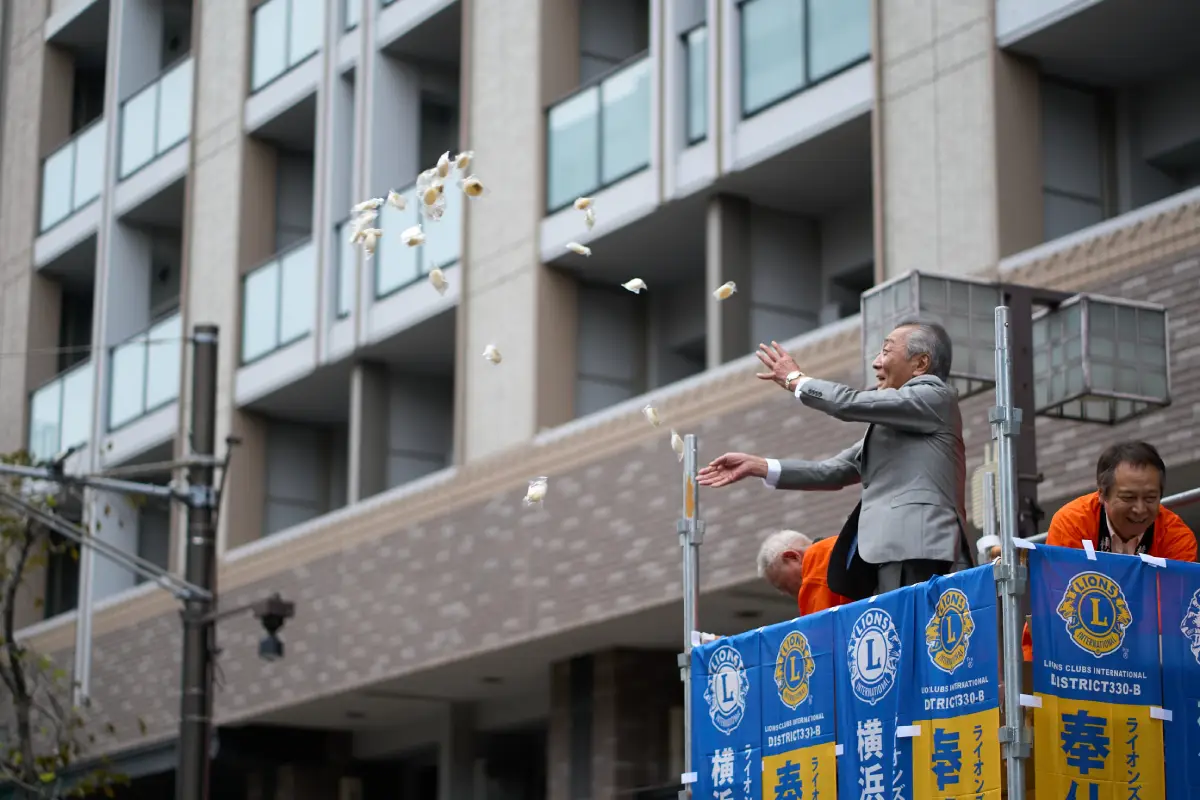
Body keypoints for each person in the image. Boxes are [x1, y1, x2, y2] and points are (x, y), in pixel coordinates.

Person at [699, 321, 970, 598]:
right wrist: (759, 466)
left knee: (924, 634)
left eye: (886, 352)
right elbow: (833, 471)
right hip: (891, 552)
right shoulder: (896, 420)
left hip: (921, 548)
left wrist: (796, 380)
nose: (876, 363)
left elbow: (848, 403)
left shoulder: (935, 396)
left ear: (921, 364)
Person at [1021, 440, 1198, 660]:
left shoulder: (1177, 538)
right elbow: (1063, 605)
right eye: (1128, 497)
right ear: (1102, 494)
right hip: (1064, 654)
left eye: (1151, 498)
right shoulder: (1072, 523)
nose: (1140, 509)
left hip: (1148, 658)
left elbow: (1173, 616)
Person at [757, 530, 851, 616]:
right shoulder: (851, 542)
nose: (786, 593)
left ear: (792, 557)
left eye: (785, 586)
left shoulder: (816, 579)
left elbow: (823, 630)